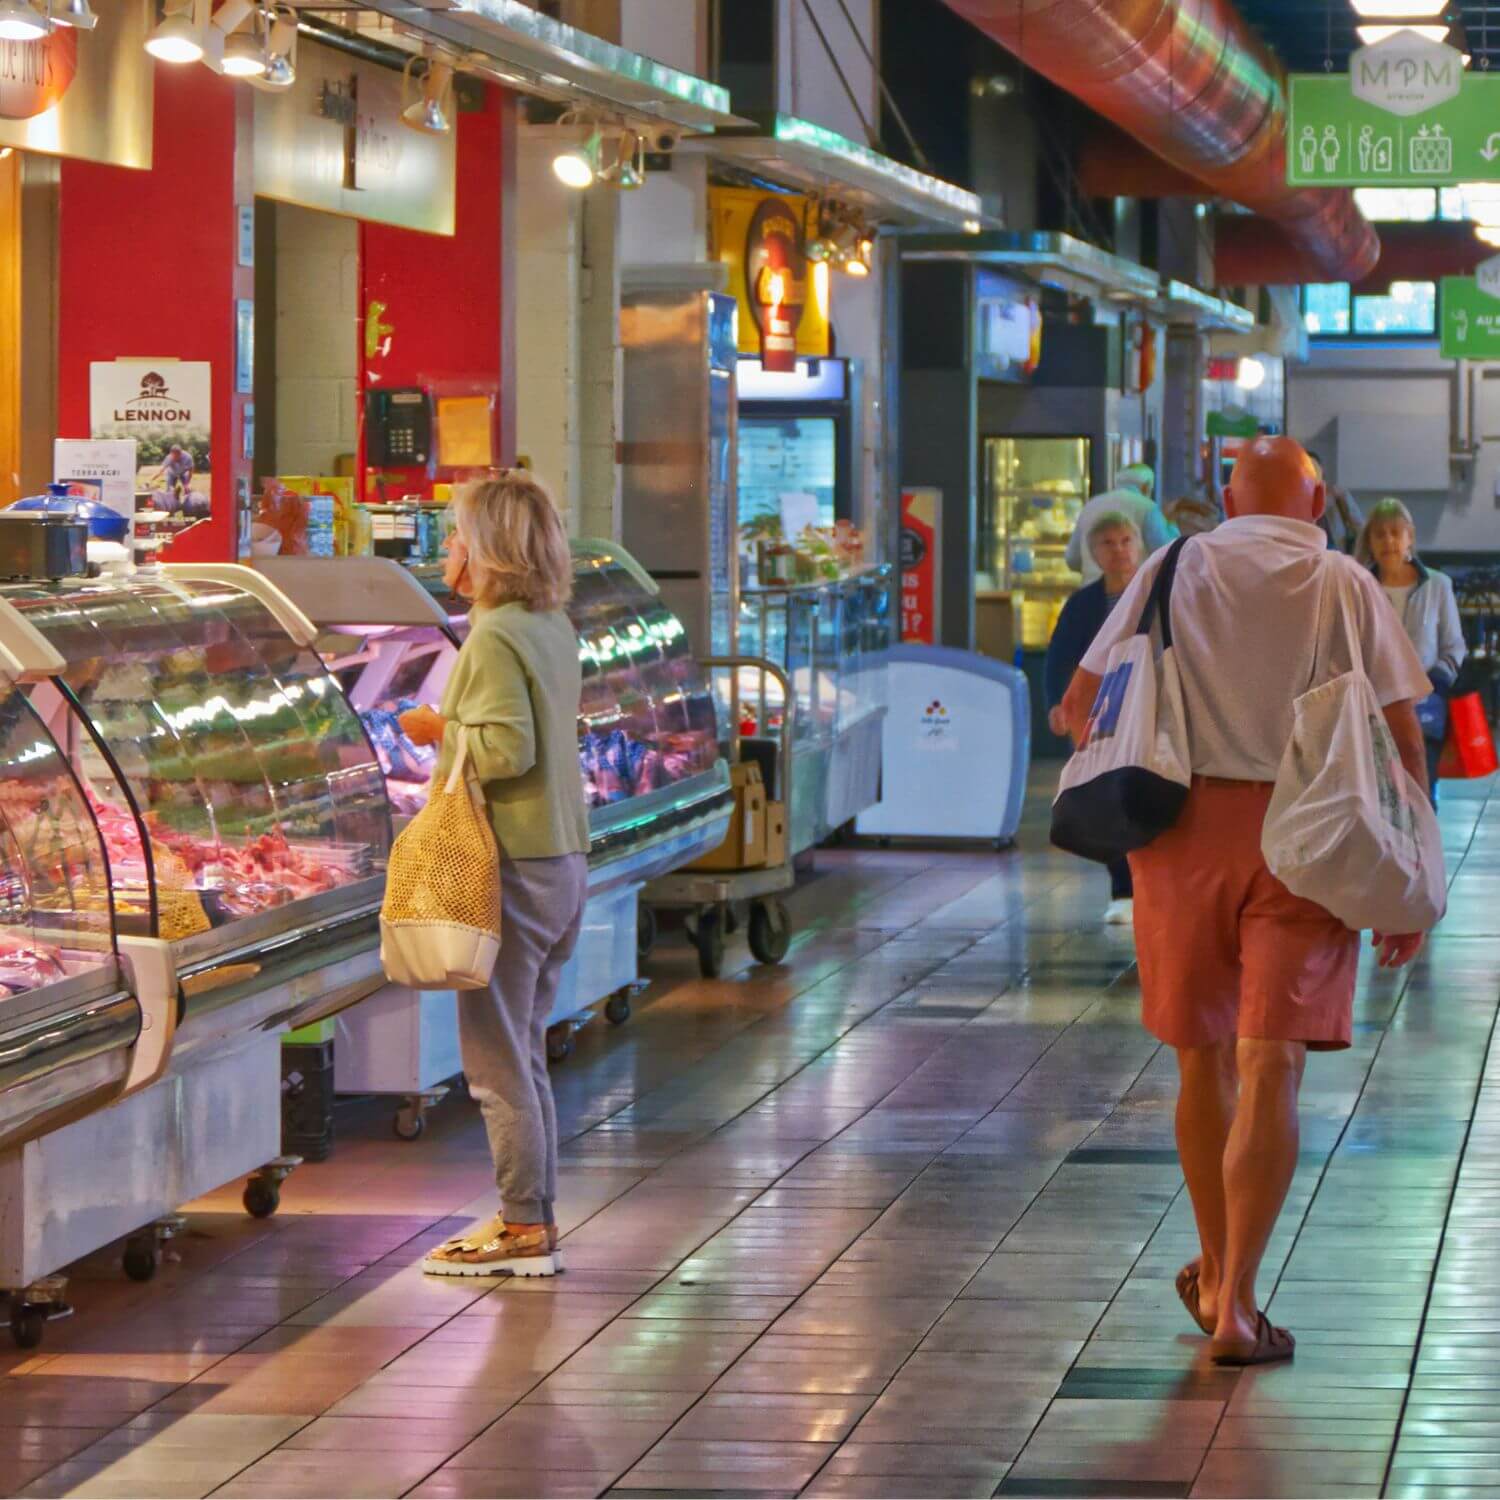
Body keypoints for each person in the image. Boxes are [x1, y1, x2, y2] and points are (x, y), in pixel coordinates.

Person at [1060, 436, 1432, 1367]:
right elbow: (1400, 740)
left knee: (1203, 1065)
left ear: (1228, 499)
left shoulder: (1171, 562)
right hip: (1314, 834)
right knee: (1274, 1065)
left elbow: (1077, 705)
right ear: (1315, 503)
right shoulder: (1345, 581)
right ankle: (1237, 1306)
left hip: (1182, 836)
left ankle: (1221, 1273)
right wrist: (1410, 885)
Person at [398, 471, 590, 1278]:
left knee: (494, 1060)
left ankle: (520, 1228)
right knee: (525, 1049)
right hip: (562, 856)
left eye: (455, 537)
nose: (449, 552)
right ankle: (531, 1215)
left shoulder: (494, 634)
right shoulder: (551, 626)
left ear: (488, 551)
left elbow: (507, 750)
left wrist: (439, 728)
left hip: (509, 861)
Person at [1045, 511, 1143, 926]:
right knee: (1109, 799)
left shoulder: (1156, 591)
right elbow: (1060, 657)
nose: (1119, 550)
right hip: (1098, 718)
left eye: (1125, 541)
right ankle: (1122, 888)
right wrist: (1058, 704)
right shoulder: (1084, 604)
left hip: (1146, 711)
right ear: (1094, 553)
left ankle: (1149, 885)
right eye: (1108, 544)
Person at [1359, 497, 1466, 804]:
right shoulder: (1359, 585)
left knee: (1420, 796)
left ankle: (1425, 853)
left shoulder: (1438, 585)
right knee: (1379, 802)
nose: (1388, 541)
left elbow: (1454, 647)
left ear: (1410, 537)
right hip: (1373, 711)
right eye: (1379, 534)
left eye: (1395, 532)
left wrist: (1431, 687)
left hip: (1425, 710)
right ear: (1370, 541)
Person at [1065, 463, 1176, 584]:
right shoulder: (1147, 507)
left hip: (1092, 593)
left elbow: (1072, 560)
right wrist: (1172, 526)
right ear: (1146, 486)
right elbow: (1166, 553)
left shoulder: (1090, 506)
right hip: (1133, 593)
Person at [1306, 448, 1362, 553]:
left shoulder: (1338, 495)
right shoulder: (1298, 502)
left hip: (1338, 554)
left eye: (1315, 468)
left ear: (1322, 470)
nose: (1312, 473)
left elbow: (1360, 527)